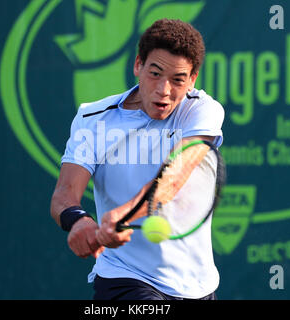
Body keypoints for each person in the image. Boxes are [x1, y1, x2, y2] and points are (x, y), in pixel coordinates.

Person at [50, 18, 224, 300]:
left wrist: (123, 214)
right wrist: (79, 220)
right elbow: (64, 193)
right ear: (137, 66)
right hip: (124, 277)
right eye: (155, 73)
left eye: (178, 79)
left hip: (198, 285)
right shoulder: (93, 118)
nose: (164, 90)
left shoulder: (203, 111)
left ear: (192, 80)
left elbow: (173, 177)